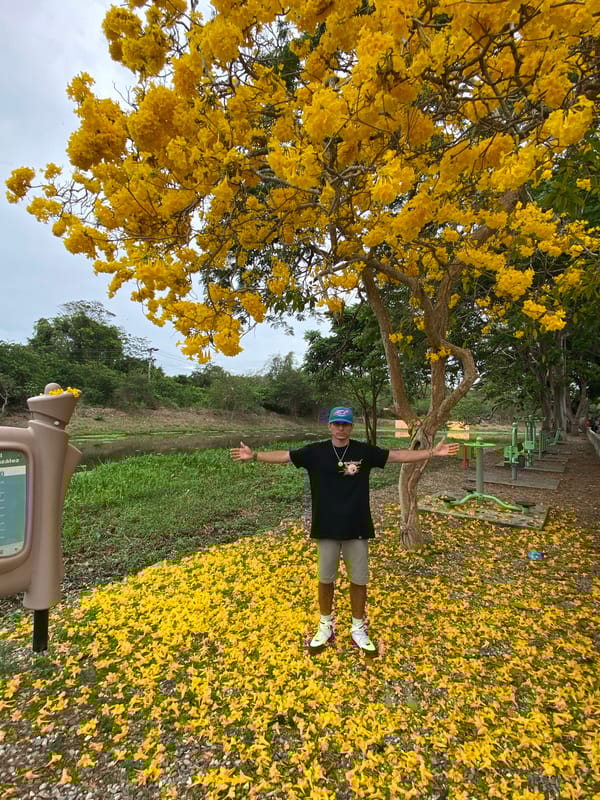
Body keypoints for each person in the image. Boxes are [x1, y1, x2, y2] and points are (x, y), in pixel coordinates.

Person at [230, 406, 459, 657]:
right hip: (326, 527)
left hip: (357, 526)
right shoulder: (314, 452)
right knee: (325, 579)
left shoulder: (363, 451)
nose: (341, 428)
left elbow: (396, 455)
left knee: (359, 580)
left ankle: (358, 628)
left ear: (351, 427)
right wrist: (254, 456)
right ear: (329, 426)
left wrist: (432, 453)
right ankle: (325, 626)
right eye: (336, 424)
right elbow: (285, 456)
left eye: (345, 424)